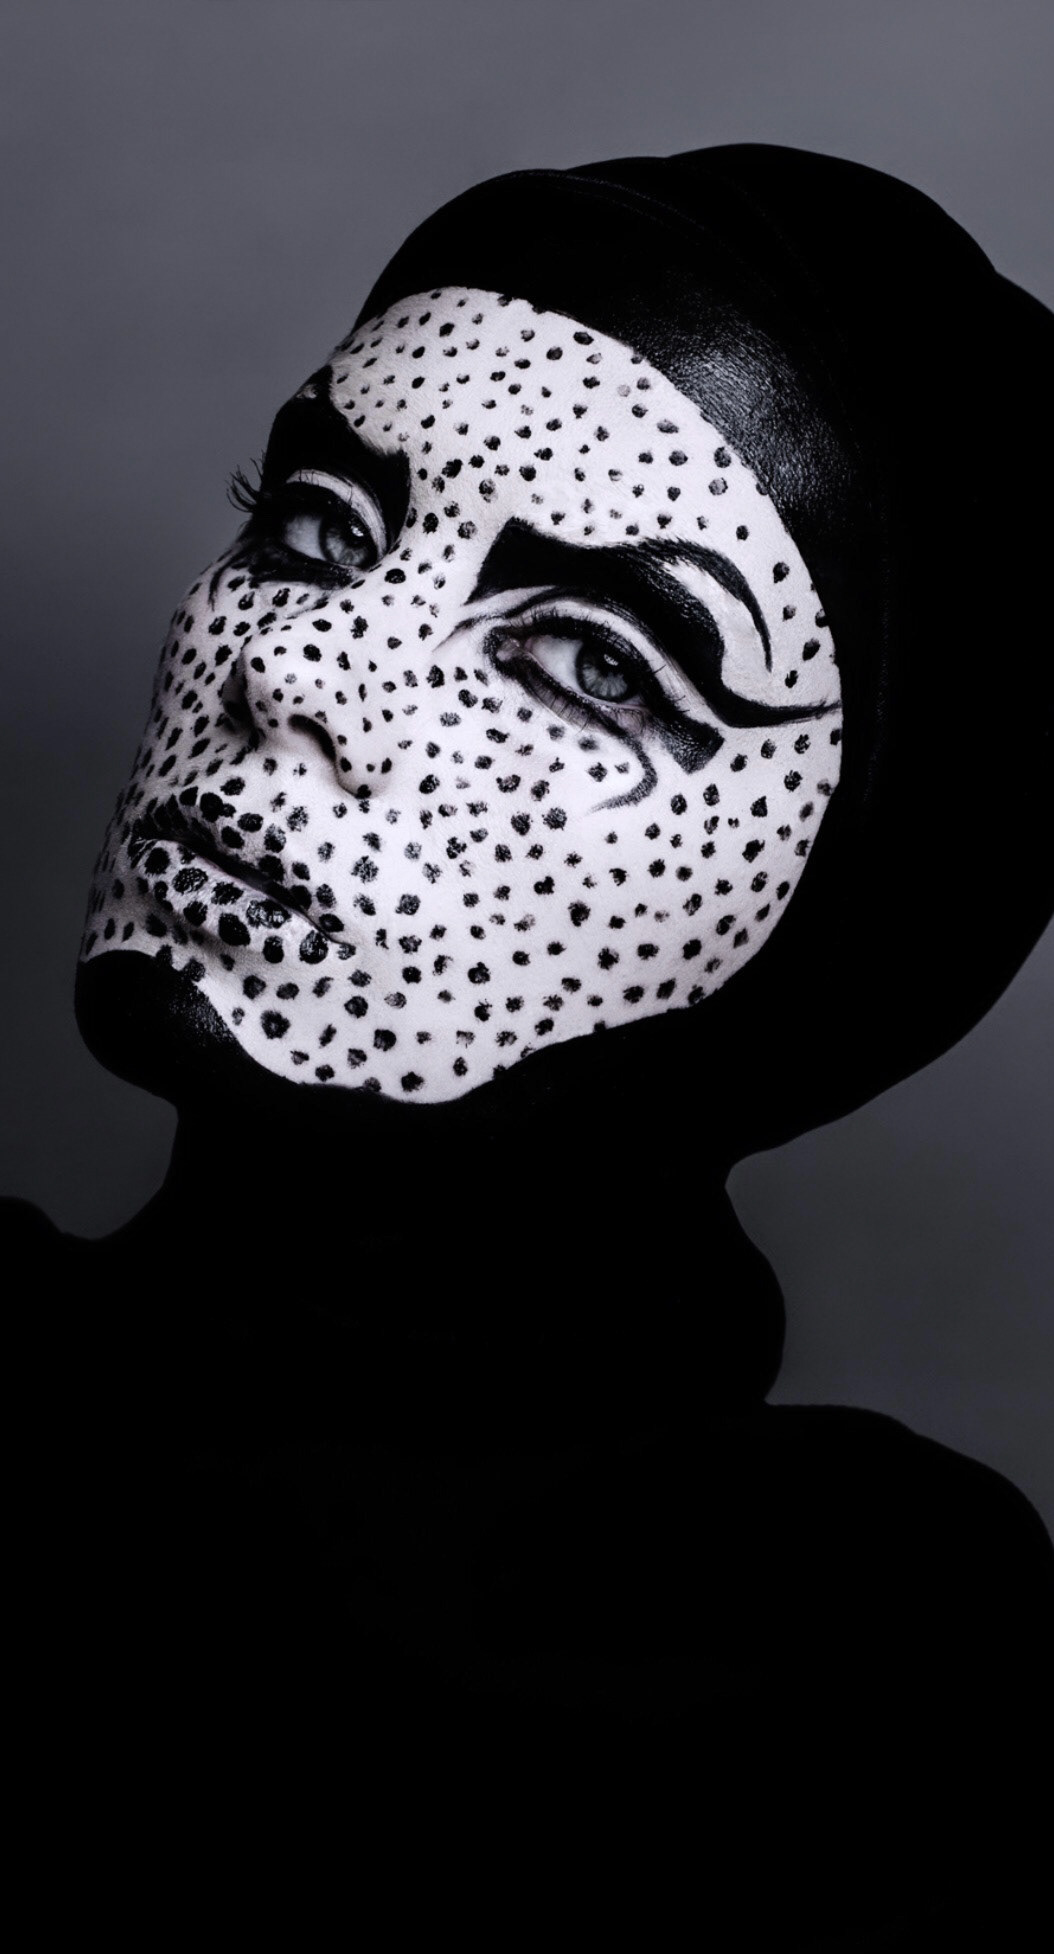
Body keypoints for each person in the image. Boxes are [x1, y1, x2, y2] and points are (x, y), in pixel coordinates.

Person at [16, 146, 1054, 1939]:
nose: (302, 672)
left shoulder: (874, 1693)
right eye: (316, 527)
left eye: (595, 664)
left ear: (867, 919)